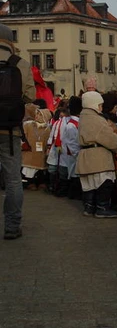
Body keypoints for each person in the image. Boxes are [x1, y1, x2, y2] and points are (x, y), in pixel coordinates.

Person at [0, 22, 35, 240]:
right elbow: (30, 98)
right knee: (13, 180)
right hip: (9, 130)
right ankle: (12, 226)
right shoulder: (20, 64)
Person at [76, 91, 117, 218]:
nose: (102, 107)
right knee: (104, 182)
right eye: (100, 104)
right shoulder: (97, 119)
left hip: (85, 156)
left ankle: (89, 207)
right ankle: (102, 207)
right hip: (98, 157)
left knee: (89, 184)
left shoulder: (83, 117)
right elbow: (109, 138)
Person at [21, 104, 52, 191]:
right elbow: (22, 136)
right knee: (29, 168)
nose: (37, 116)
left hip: (41, 152)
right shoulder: (28, 125)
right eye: (37, 114)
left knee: (41, 167)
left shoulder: (49, 128)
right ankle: (31, 183)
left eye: (40, 114)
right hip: (30, 152)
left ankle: (41, 182)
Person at [61, 96, 82, 200]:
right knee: (74, 174)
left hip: (77, 154)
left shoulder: (77, 122)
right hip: (74, 155)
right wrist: (78, 154)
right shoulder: (71, 125)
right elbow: (72, 144)